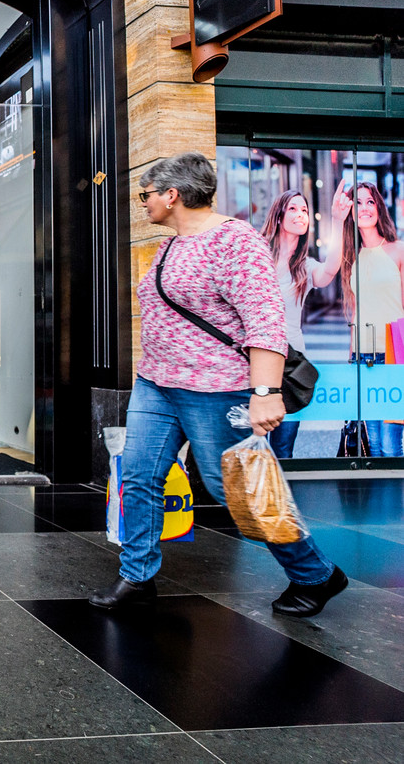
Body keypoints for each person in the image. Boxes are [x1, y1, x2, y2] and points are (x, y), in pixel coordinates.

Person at [90, 152, 346, 617]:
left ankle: (315, 574)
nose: (142, 202)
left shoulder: (235, 241)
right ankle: (137, 576)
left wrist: (266, 392)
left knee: (236, 489)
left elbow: (266, 321)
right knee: (139, 477)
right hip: (157, 385)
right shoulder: (171, 244)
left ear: (172, 195)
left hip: (216, 388)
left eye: (146, 194)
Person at [259, 185, 351, 458]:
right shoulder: (258, 255)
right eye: (293, 209)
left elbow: (330, 270)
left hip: (292, 367)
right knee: (254, 448)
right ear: (278, 216)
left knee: (283, 450)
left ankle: (278, 499)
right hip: (257, 362)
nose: (301, 215)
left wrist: (338, 220)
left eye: (305, 210)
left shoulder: (304, 266)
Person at [338, 180, 404, 457]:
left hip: (392, 354)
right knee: (373, 447)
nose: (364, 208)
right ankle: (381, 501)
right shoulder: (352, 256)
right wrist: (351, 357)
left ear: (379, 208)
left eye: (370, 201)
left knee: (390, 446)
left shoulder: (398, 250)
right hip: (364, 357)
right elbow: (357, 311)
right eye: (358, 202)